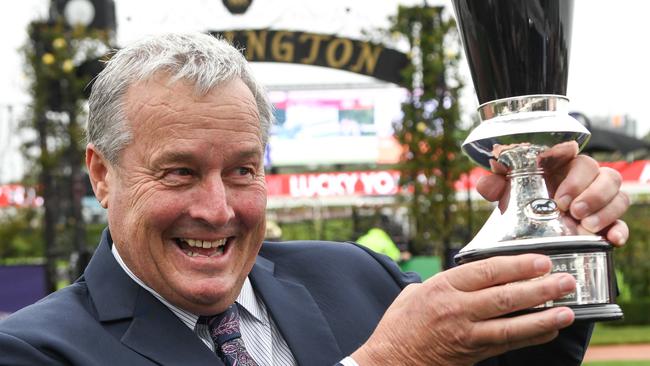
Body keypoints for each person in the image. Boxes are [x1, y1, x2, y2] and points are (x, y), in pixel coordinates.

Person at [0, 32, 630, 366]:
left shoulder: (359, 276)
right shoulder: (34, 350)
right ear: (102, 175)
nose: (218, 210)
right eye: (179, 173)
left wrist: (547, 234)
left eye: (243, 170)